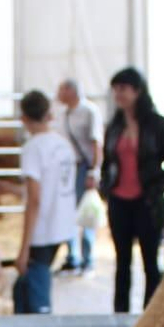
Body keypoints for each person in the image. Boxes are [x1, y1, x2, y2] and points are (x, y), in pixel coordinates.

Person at [99, 67, 164, 313]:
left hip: (148, 202)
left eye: (122, 89)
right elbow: (107, 162)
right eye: (115, 90)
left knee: (150, 265)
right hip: (119, 202)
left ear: (137, 91)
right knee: (122, 263)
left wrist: (160, 184)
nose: (117, 95)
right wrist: (105, 188)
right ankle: (119, 320)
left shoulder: (158, 125)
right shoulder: (114, 126)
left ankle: (149, 318)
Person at [14, 89, 78, 315]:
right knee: (21, 287)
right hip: (62, 224)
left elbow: (35, 199)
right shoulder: (63, 145)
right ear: (48, 115)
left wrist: (23, 250)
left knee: (36, 289)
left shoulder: (33, 148)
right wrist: (7, 188)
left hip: (42, 230)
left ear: (24, 119)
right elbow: (52, 186)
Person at [53, 79, 99, 274]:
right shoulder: (63, 114)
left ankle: (88, 259)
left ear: (71, 90)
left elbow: (97, 144)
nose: (58, 93)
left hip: (83, 167)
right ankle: (72, 257)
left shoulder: (89, 111)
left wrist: (93, 171)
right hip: (66, 169)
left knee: (86, 212)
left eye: (61, 89)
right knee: (67, 212)